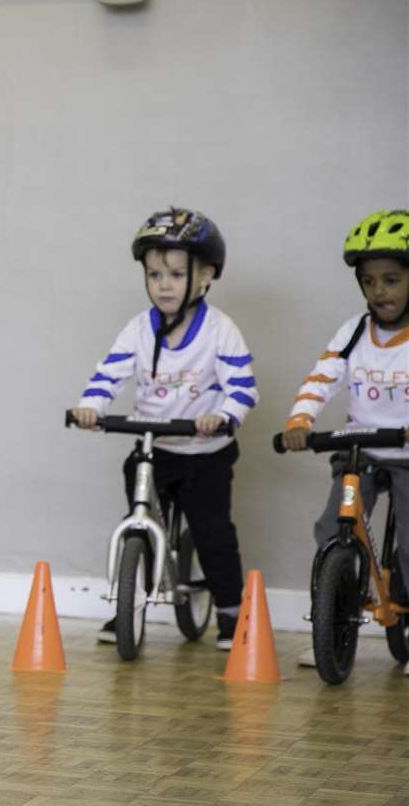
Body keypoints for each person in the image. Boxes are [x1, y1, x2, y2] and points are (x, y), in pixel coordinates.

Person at [70, 208, 257, 651]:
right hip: (155, 447)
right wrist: (90, 407)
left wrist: (224, 416)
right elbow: (108, 375)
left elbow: (244, 388)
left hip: (205, 451)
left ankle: (232, 614)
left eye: (175, 273)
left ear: (207, 275)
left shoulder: (219, 331)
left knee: (213, 533)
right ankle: (128, 608)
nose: (164, 284)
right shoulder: (139, 329)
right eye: (154, 275)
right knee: (139, 520)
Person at [281, 209, 409, 670]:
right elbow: (323, 377)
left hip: (407, 454)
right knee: (332, 528)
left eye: (392, 280)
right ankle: (329, 621)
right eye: (370, 282)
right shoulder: (355, 331)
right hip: (361, 449)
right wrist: (300, 421)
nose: (380, 291)